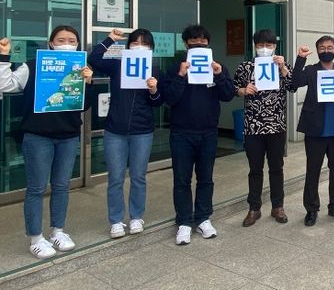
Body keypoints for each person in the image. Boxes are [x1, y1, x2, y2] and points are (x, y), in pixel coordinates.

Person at [20, 26, 94, 259]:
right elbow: (7, 85)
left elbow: (84, 106)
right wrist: (3, 58)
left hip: (68, 136)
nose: (67, 43)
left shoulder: (79, 70)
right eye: (61, 40)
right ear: (51, 43)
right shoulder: (32, 65)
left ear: (78, 44)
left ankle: (58, 232)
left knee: (61, 186)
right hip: (38, 136)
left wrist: (88, 82)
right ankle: (35, 238)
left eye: (72, 40)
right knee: (36, 188)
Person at [162, 25, 236, 245]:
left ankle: (203, 218)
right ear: (186, 44)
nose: (199, 44)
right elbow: (169, 98)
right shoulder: (176, 67)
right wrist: (181, 75)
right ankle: (184, 222)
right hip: (181, 133)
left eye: (203, 41)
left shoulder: (217, 66)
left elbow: (228, 95)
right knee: (181, 180)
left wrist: (219, 75)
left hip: (208, 133)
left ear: (208, 43)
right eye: (194, 41)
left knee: (205, 178)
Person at [88, 28, 163, 239]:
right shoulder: (118, 65)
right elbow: (94, 59)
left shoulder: (154, 70)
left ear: (151, 48)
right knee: (115, 178)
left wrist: (153, 90)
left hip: (142, 131)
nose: (139, 47)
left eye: (145, 44)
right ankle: (116, 220)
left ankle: (137, 216)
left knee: (138, 177)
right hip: (115, 131)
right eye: (135, 43)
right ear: (129, 46)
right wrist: (110, 39)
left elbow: (158, 102)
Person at [291, 36, 334, 226]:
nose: (326, 50)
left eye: (330, 47)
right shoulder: (311, 70)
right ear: (318, 50)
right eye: (322, 47)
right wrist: (300, 58)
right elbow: (295, 82)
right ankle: (311, 209)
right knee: (312, 171)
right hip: (315, 131)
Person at [234, 29, 294, 227]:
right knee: (255, 169)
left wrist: (283, 68)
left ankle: (278, 206)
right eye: (260, 45)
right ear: (255, 47)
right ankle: (254, 208)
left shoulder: (282, 65)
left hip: (277, 126)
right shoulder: (246, 67)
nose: (265, 49)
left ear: (275, 46)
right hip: (253, 126)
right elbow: (233, 88)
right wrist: (243, 90)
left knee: (276, 168)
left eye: (269, 45)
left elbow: (293, 86)